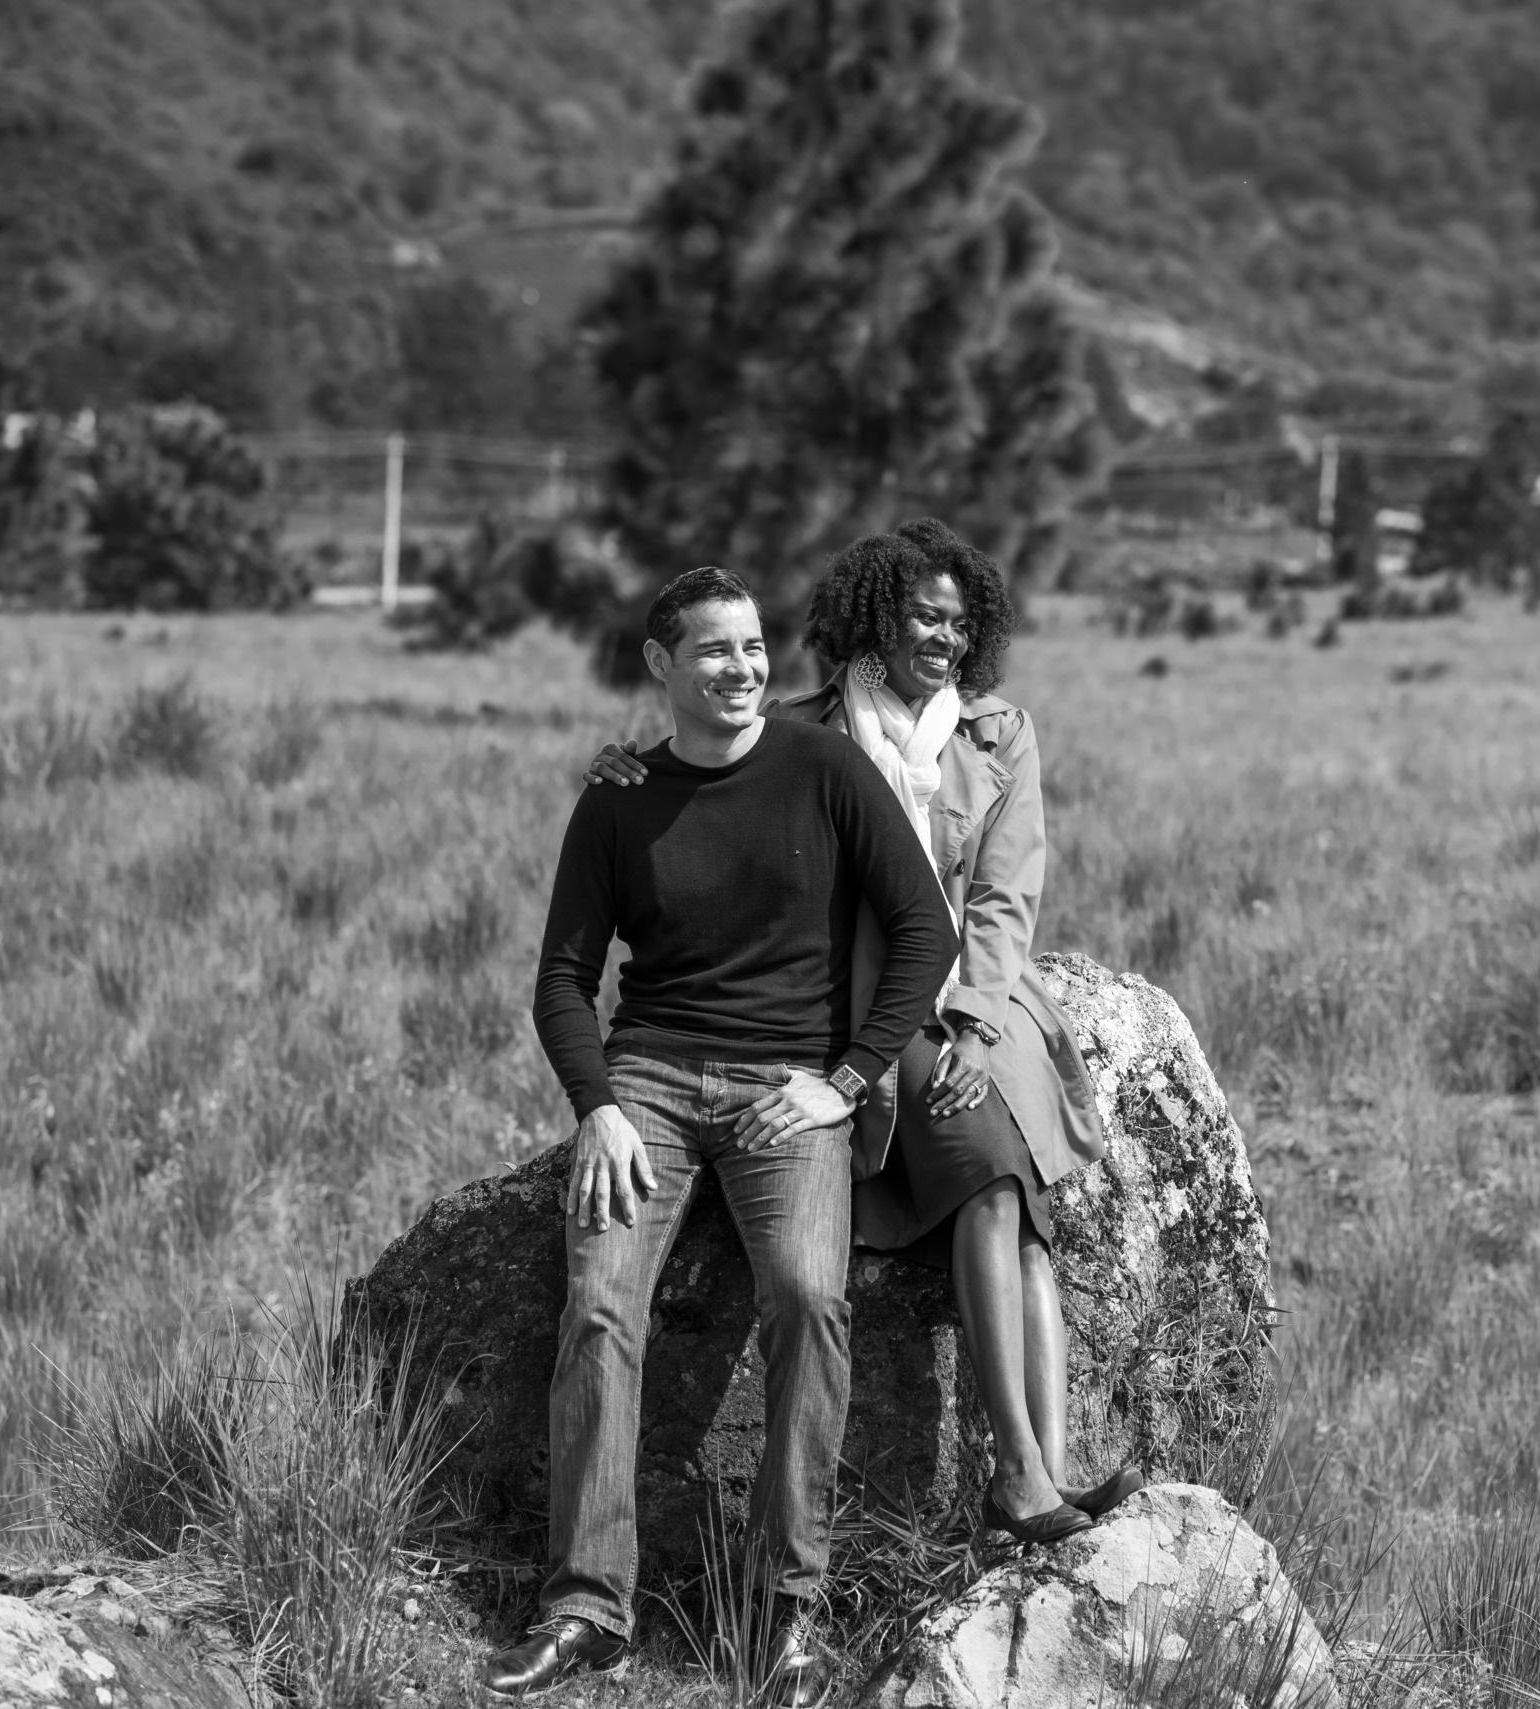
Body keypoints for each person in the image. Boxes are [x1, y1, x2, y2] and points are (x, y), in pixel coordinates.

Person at [582, 519, 1145, 1547]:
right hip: (875, 1005)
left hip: (980, 994)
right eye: (923, 616)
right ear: (876, 617)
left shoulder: (1000, 732)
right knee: (989, 1176)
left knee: (1013, 1196)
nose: (943, 637)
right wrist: (624, 765)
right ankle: (1021, 1477)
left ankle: (1036, 1474)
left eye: (960, 622)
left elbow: (1007, 895)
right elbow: (708, 759)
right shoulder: (809, 731)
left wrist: (978, 1021)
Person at [484, 566, 957, 1704]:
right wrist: (595, 1102)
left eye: (753, 648)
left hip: (787, 1086)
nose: (743, 669)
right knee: (600, 1298)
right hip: (646, 1076)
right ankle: (589, 1605)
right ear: (661, 667)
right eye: (714, 650)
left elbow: (924, 929)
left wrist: (844, 1079)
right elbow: (561, 977)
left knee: (807, 1293)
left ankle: (782, 1613)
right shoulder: (618, 796)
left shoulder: (822, 767)